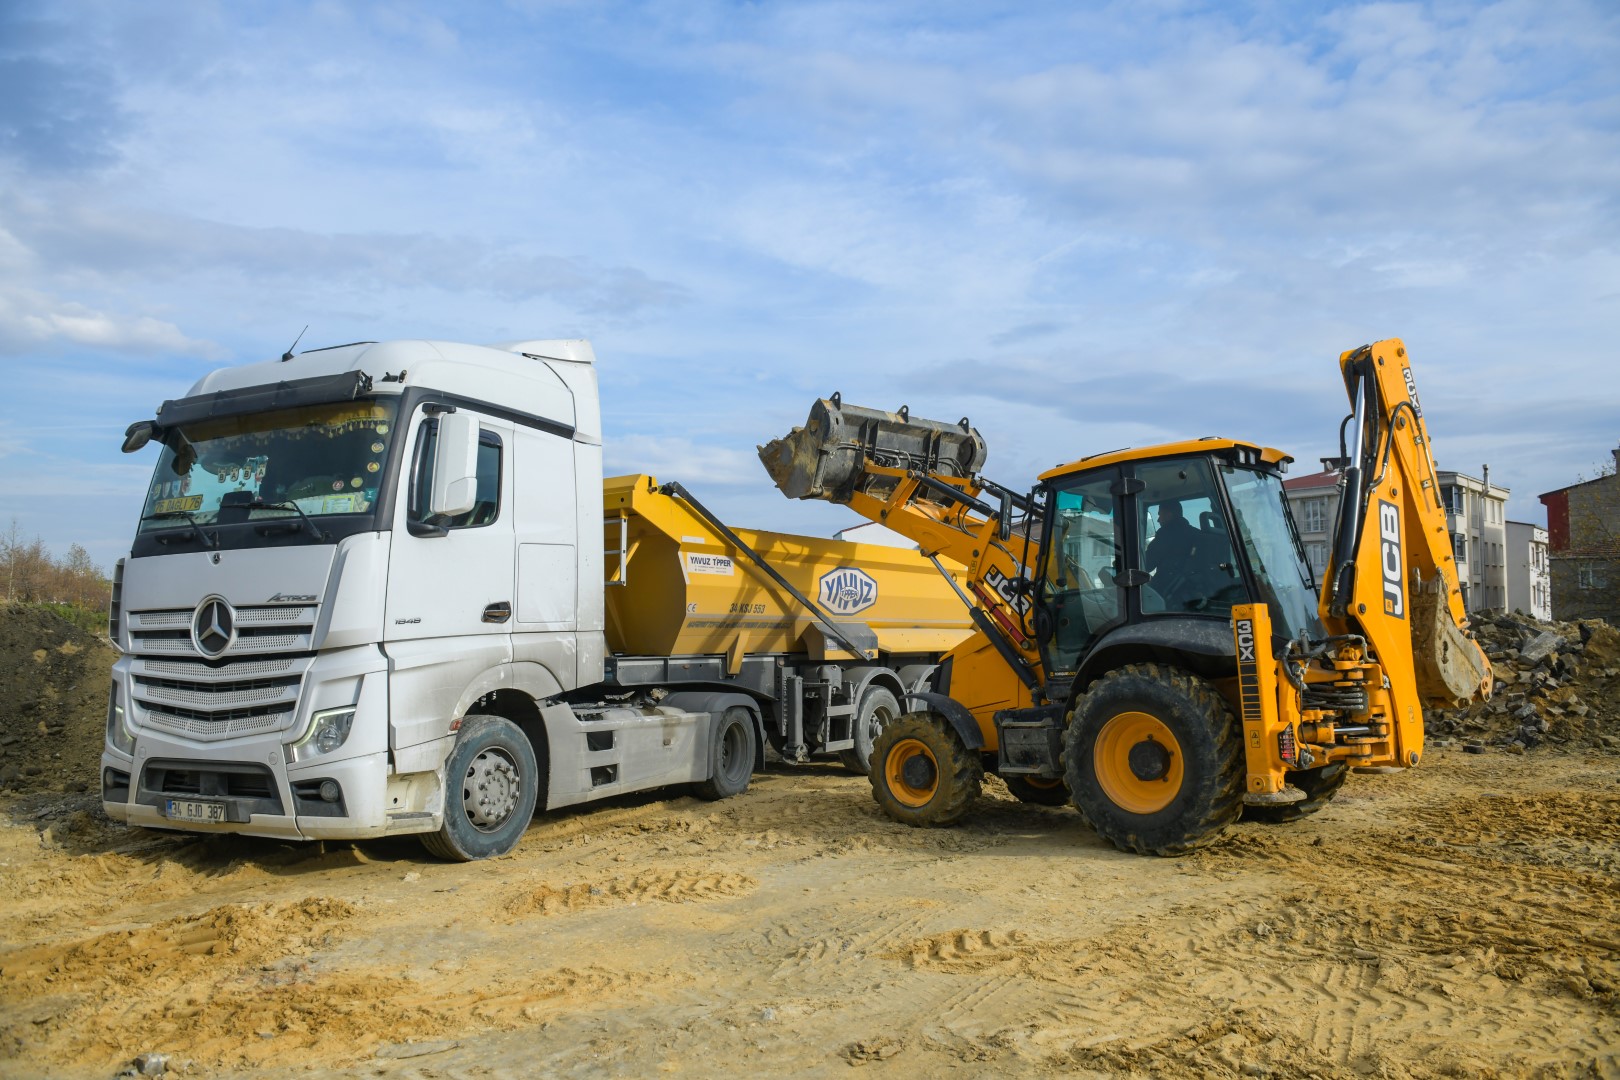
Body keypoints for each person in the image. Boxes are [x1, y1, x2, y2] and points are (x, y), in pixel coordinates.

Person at [1144, 500, 1201, 605]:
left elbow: (1146, 565)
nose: (1158, 520)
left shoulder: (1165, 535)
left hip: (1168, 593)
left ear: (1169, 515)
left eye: (1160, 515)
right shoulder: (1197, 534)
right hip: (1194, 592)